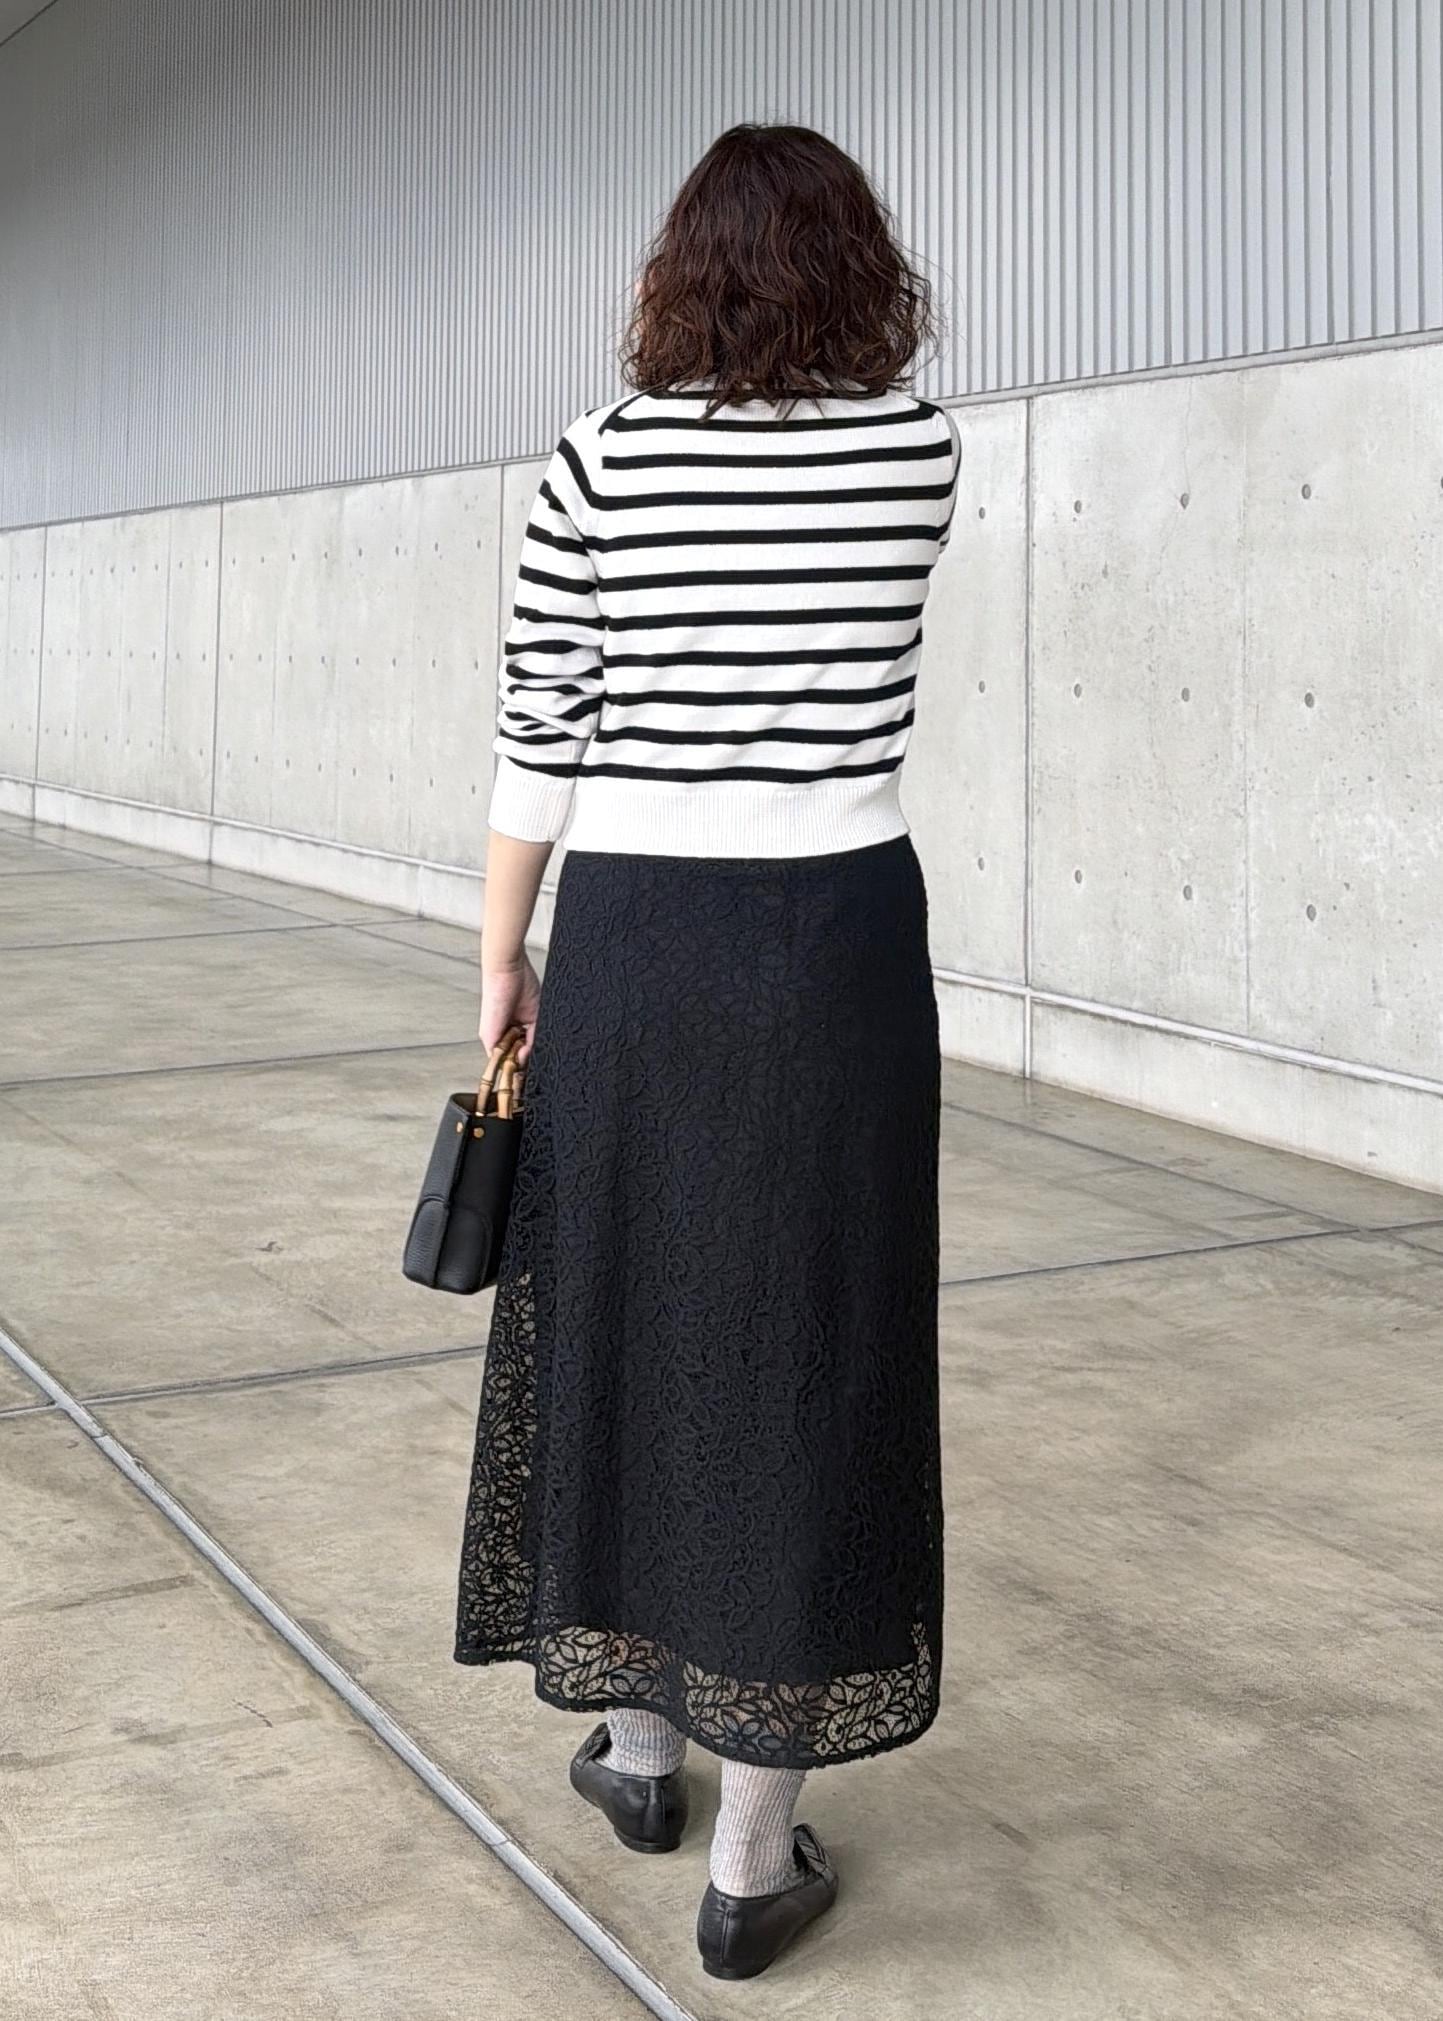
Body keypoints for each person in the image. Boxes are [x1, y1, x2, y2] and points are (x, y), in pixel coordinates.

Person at [454, 119, 959, 1982]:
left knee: (628, 1306)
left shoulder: (598, 460)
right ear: (855, 267)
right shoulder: (920, 452)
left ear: (680, 272)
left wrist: (503, 960)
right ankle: (751, 1857)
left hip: (642, 941)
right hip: (838, 942)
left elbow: (542, 726)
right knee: (805, 1336)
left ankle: (642, 1750)